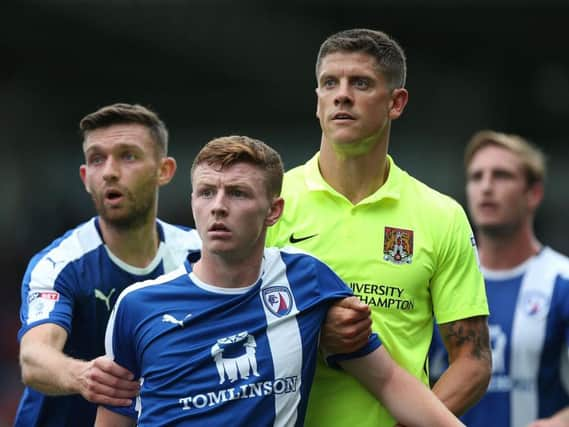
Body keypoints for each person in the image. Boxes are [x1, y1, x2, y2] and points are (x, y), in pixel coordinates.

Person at [95, 135, 465, 426]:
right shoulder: (138, 305)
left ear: (274, 211)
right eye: (207, 192)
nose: (218, 206)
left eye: (238, 193)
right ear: (192, 201)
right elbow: (114, 418)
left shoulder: (307, 281)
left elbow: (388, 381)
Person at [265, 28, 492, 426]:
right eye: (329, 83)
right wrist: (314, 334)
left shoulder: (441, 215)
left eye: (361, 83)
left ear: (396, 102)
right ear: (317, 100)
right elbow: (222, 325)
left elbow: (472, 360)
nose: (342, 95)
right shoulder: (269, 202)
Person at [15, 103, 202, 427]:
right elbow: (34, 359)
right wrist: (82, 375)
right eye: (97, 159)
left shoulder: (198, 254)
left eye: (128, 156)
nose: (110, 171)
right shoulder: (58, 264)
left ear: (164, 170)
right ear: (86, 178)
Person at [429, 130, 569, 427]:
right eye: (476, 177)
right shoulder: (435, 279)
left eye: (502, 176)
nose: (487, 187)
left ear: (533, 194)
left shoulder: (562, 282)